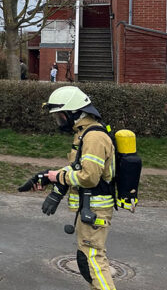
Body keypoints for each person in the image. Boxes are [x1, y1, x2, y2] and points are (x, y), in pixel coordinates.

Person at [37, 86, 117, 290]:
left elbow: (89, 177)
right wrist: (49, 177)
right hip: (89, 208)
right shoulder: (84, 134)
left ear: (74, 113)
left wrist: (59, 177)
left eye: (60, 116)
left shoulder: (94, 137)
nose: (59, 122)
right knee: (88, 261)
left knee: (93, 261)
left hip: (95, 210)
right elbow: (78, 168)